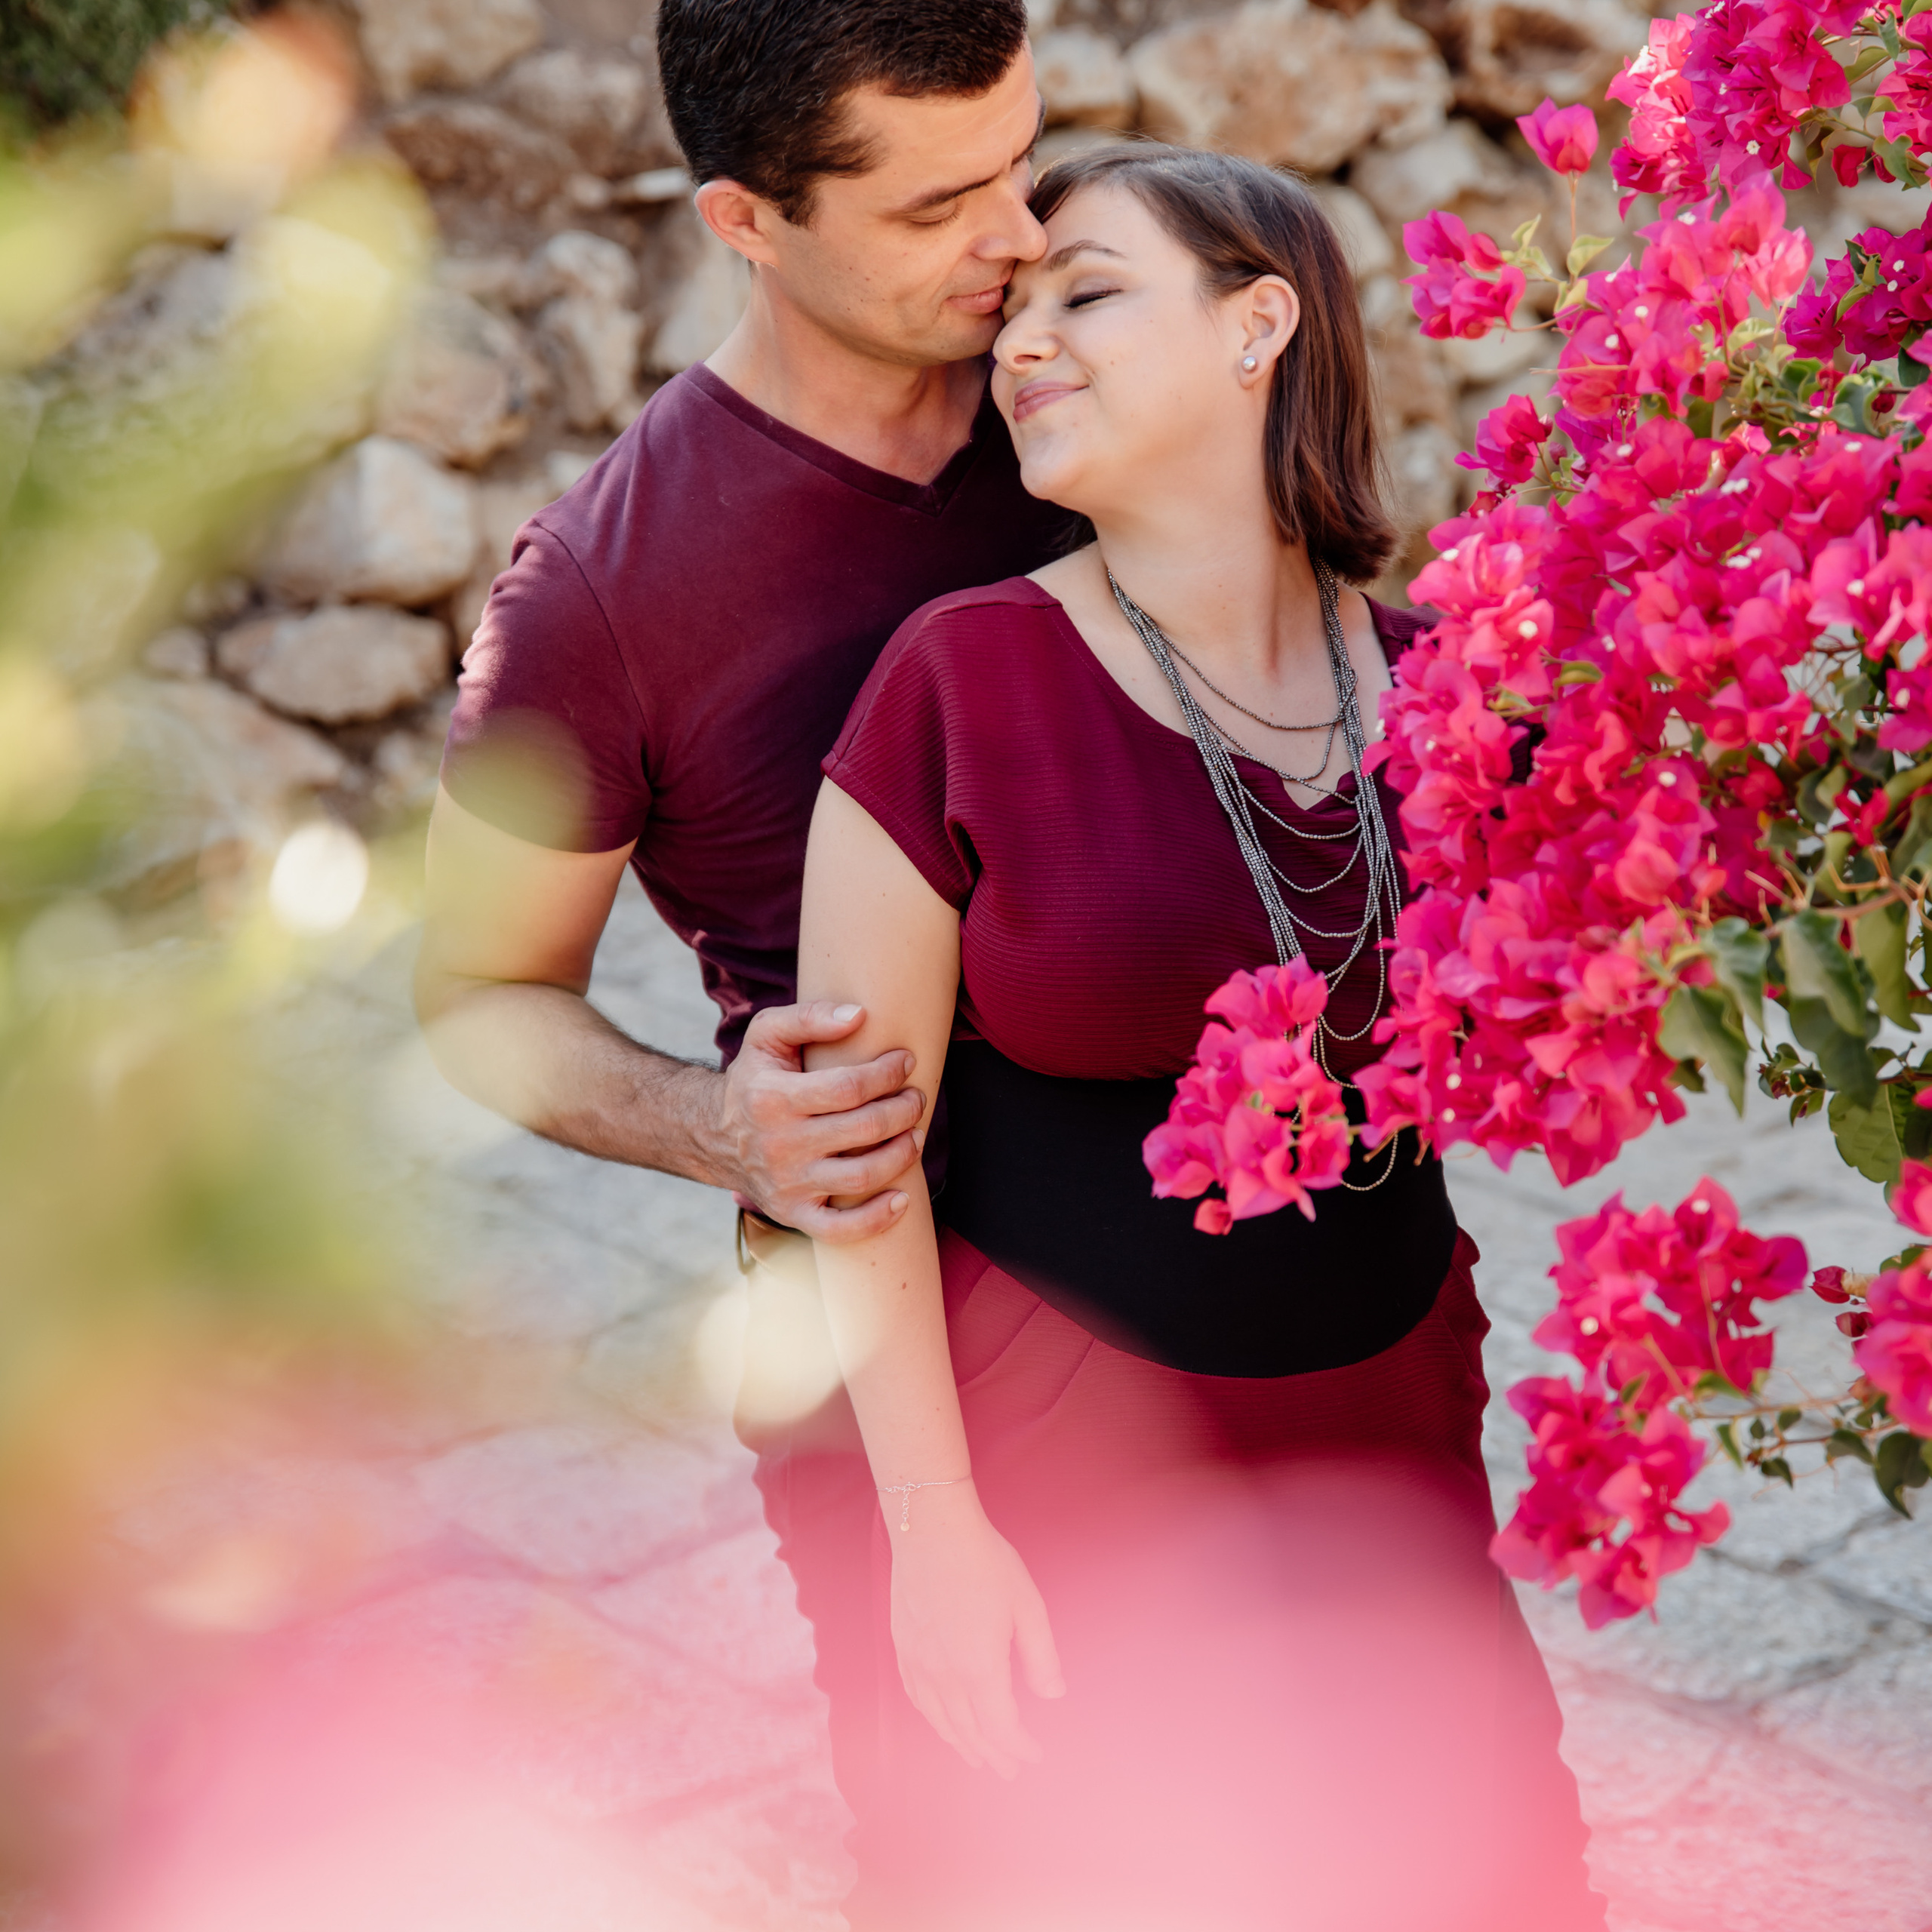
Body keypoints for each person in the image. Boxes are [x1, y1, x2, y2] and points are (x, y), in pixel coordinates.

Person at [791, 144, 1607, 1930]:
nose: (1022, 344)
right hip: (1069, 1475)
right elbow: (843, 1162)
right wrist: (932, 1531)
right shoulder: (955, 683)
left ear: (1259, 325)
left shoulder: (1456, 684)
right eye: (1013, 312)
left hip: (1385, 1427)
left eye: (1084, 292)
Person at [414, 0, 1066, 1245]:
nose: (1021, 236)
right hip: (894, 1315)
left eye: (1022, 156)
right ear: (746, 219)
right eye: (936, 209)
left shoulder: (1095, 354)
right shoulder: (592, 593)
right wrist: (718, 1126)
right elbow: (480, 992)